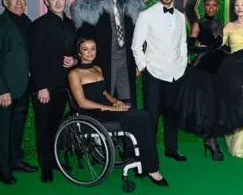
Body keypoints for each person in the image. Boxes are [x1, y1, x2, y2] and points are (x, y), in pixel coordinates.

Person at [166, 0, 243, 160]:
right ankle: (237, 144)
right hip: (234, 69)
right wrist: (203, 51)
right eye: (237, 5)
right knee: (235, 104)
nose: (240, 8)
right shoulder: (228, 26)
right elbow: (220, 45)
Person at [68, 38, 169, 187]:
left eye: (93, 48)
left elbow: (103, 93)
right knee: (137, 118)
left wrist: (116, 101)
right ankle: (152, 168)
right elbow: (82, 102)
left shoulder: (97, 69)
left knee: (143, 115)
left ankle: (136, 156)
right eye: (85, 49)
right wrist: (111, 108)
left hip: (107, 110)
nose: (90, 52)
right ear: (79, 52)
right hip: (91, 115)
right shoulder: (74, 74)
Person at [0, 0, 38, 185]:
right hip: (4, 90)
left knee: (17, 128)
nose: (19, 2)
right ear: (4, 2)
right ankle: (2, 169)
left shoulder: (28, 22)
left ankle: (16, 161)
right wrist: (2, 90)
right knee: (3, 130)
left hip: (23, 86)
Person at [71, 0, 145, 108]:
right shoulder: (89, 5)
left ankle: (126, 130)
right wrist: (82, 60)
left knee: (127, 102)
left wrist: (138, 61)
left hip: (126, 61)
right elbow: (83, 37)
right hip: (102, 62)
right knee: (106, 102)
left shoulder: (134, 5)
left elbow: (140, 36)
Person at [131, 0, 188, 161]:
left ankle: (172, 150)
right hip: (153, 74)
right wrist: (144, 68)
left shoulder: (180, 16)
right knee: (152, 117)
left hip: (176, 74)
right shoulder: (146, 15)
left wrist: (182, 65)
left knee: (172, 115)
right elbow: (136, 46)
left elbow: (183, 43)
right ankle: (149, 154)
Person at [28, 0, 77, 182]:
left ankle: (55, 161)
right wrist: (41, 87)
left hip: (64, 86)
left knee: (58, 126)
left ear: (66, 0)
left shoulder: (72, 25)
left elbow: (77, 52)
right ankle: (45, 166)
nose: (58, 2)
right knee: (44, 127)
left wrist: (75, 60)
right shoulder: (38, 25)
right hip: (45, 88)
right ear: (46, 1)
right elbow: (34, 58)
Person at [187, 0, 227, 161]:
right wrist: (199, 48)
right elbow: (189, 45)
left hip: (218, 67)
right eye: (208, 5)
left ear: (218, 7)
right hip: (203, 68)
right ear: (203, 6)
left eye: (214, 5)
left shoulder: (221, 23)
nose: (211, 8)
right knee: (207, 105)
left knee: (217, 105)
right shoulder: (199, 23)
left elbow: (226, 45)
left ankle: (210, 138)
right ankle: (211, 141)